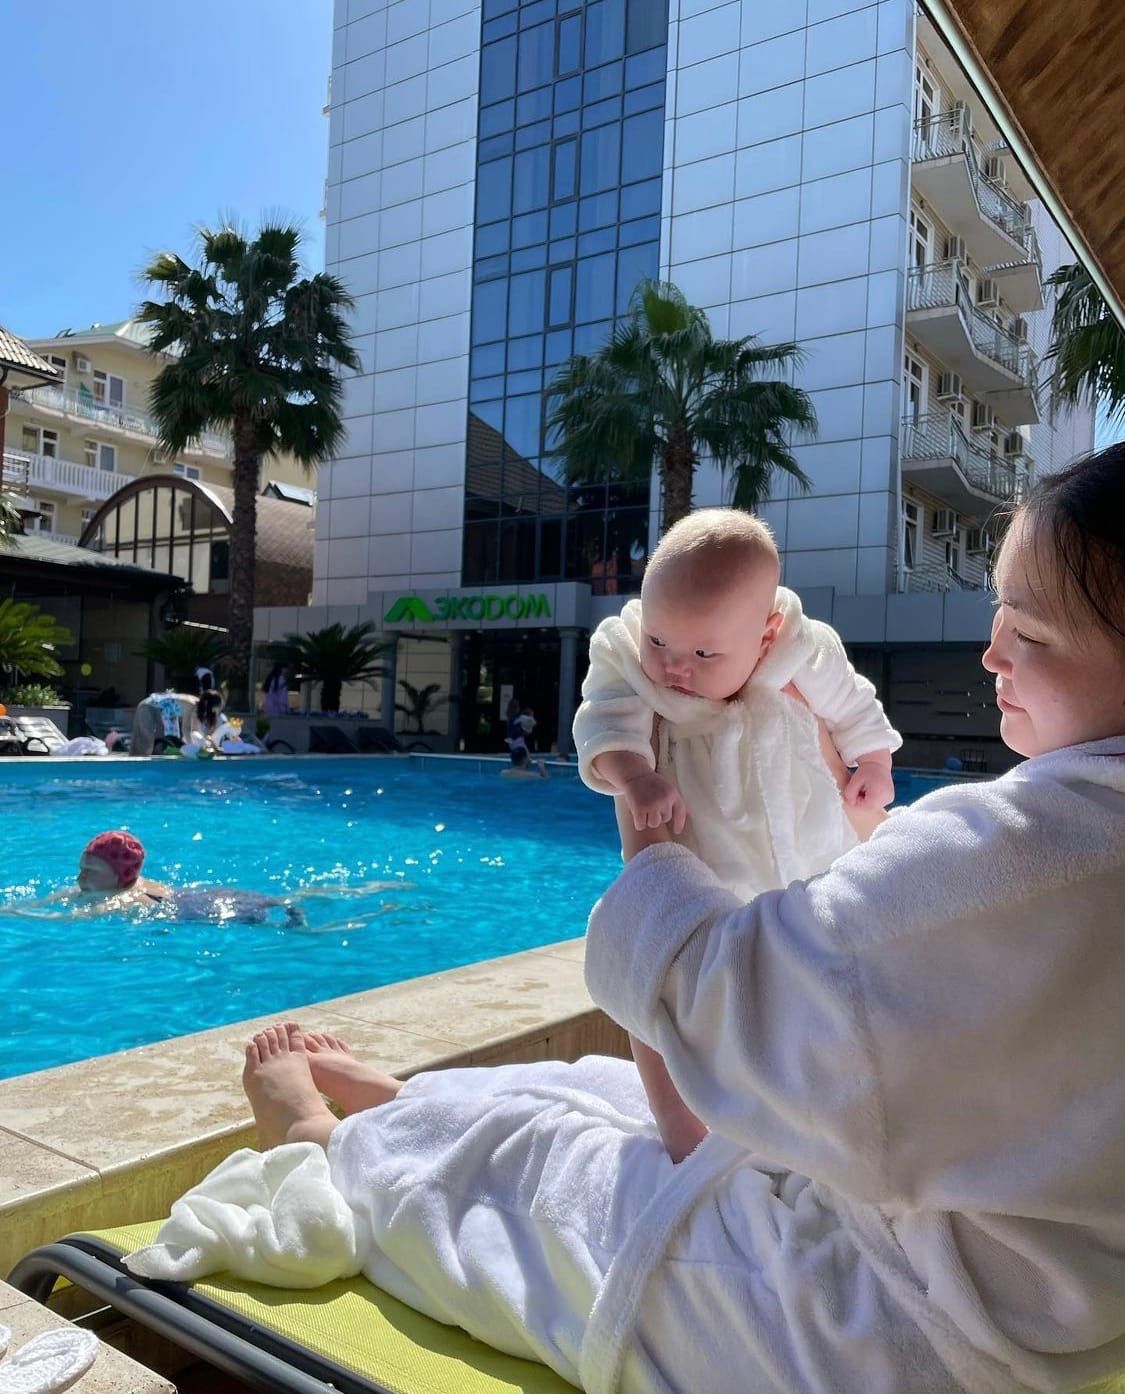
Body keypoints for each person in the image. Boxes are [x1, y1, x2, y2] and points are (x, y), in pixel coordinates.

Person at [240, 447, 1125, 1394]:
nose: (990, 653)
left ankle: (326, 1143)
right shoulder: (1050, 851)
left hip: (901, 1326)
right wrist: (863, 824)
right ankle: (406, 1103)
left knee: (538, 1182)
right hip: (1047, 1287)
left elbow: (722, 998)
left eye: (1029, 630)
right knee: (589, 1088)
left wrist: (651, 852)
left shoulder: (1045, 845)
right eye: (997, 614)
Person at [572, 507, 901, 1159]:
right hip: (695, 868)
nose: (674, 667)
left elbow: (854, 707)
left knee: (815, 988)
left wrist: (873, 763)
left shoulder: (805, 648)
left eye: (703, 654)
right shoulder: (625, 655)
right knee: (655, 981)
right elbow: (603, 724)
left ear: (766, 632)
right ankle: (678, 1123)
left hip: (806, 858)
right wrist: (636, 777)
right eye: (659, 640)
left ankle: (815, 1106)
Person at [28, 830, 306, 925]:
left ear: (119, 877)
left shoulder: (124, 899)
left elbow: (75, 917)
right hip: (189, 896)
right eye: (81, 869)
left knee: (262, 914)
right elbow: (63, 896)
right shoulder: (109, 884)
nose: (80, 877)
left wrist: (37, 916)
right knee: (271, 901)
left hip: (195, 909)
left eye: (90, 871)